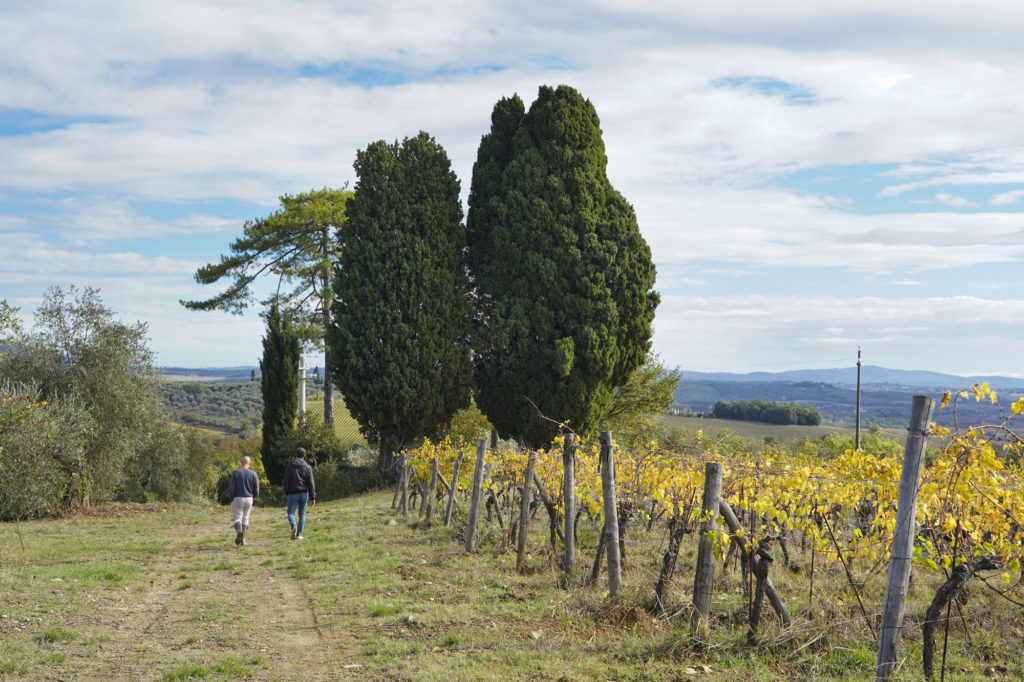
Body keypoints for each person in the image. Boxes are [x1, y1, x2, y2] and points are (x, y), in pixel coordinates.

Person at [282, 447, 316, 540]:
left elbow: (286, 480)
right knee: (302, 514)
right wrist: (312, 497)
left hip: (292, 493)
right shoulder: (308, 467)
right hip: (304, 493)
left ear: (296, 455)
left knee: (290, 513)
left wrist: (287, 491)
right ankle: (299, 534)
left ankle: (293, 526)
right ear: (304, 455)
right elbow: (311, 482)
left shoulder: (290, 466)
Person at [228, 455, 259, 546]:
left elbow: (232, 487)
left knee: (237, 517)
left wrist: (231, 497)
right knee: (246, 518)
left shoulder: (235, 473)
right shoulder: (254, 474)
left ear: (241, 463)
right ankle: (243, 539)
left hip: (238, 497)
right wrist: (254, 497)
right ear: (249, 463)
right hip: (249, 498)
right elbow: (256, 489)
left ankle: (238, 531)